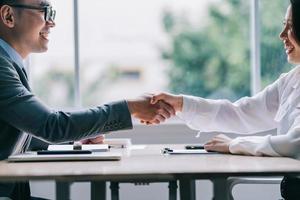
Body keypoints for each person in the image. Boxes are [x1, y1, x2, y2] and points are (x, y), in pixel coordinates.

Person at [0, 0, 175, 199]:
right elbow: (51, 125)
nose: (52, 23)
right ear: (8, 16)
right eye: (45, 11)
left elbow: (17, 133)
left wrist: (73, 141)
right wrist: (130, 109)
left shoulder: (9, 62)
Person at [151, 0, 300, 199]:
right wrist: (181, 104)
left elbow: (295, 144)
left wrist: (233, 145)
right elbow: (241, 113)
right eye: (283, 25)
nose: (282, 35)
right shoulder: (290, 80)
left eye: (290, 27)